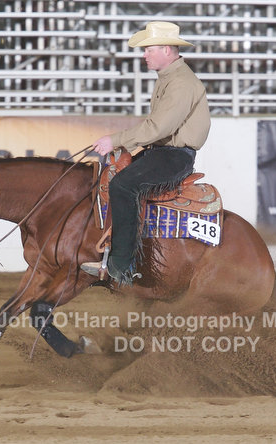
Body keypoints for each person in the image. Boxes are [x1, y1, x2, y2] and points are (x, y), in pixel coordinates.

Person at [81, 21, 211, 284]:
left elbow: (158, 127)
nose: (144, 55)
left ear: (166, 49)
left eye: (149, 49)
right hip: (163, 152)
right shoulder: (171, 79)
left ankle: (120, 266)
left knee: (123, 186)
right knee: (114, 178)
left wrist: (115, 140)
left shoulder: (181, 83)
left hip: (174, 156)